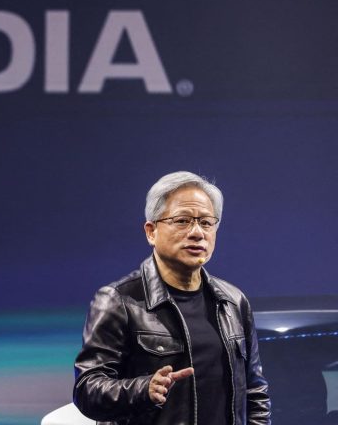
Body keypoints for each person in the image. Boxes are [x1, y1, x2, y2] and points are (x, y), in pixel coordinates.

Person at [73, 171, 270, 425]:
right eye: (183, 221)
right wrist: (143, 389)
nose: (197, 232)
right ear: (151, 231)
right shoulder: (118, 300)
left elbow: (255, 392)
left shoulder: (233, 302)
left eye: (206, 223)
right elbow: (87, 390)